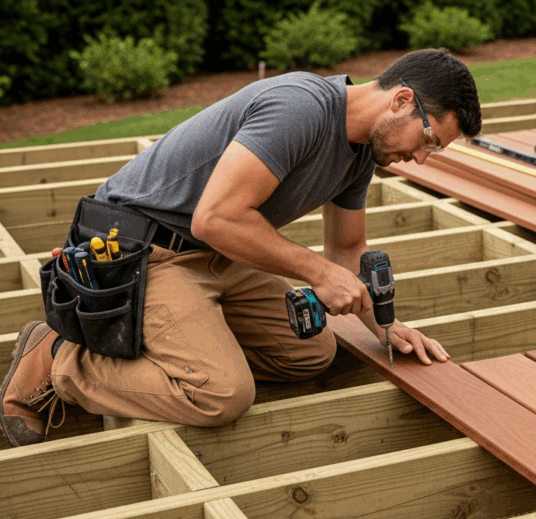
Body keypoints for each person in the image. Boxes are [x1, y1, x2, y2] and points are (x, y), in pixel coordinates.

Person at [1, 48, 482, 447]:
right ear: (401, 100)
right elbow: (215, 218)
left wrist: (386, 327)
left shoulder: (361, 154)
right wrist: (317, 273)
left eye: (434, 149)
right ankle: (57, 358)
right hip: (141, 249)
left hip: (215, 252)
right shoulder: (301, 108)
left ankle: (182, 347)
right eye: (429, 139)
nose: (421, 158)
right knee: (220, 394)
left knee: (310, 352)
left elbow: (346, 246)